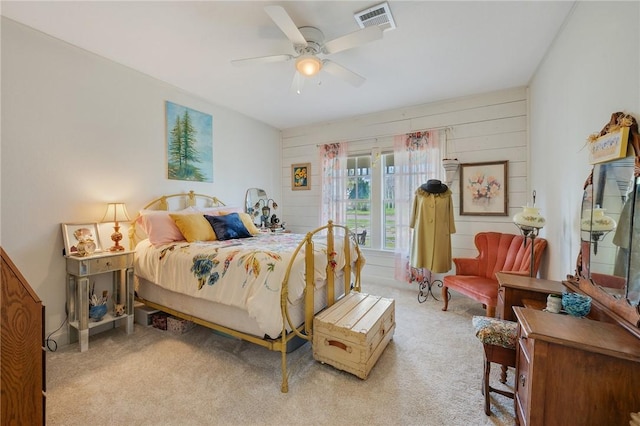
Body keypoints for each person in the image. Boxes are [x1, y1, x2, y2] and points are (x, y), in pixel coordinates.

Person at [409, 179, 456, 273]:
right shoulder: (420, 193)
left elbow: (450, 212)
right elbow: (414, 209)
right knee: (422, 255)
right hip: (422, 229)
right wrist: (412, 223)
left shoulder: (446, 195)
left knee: (438, 258)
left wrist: (451, 228)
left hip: (441, 231)